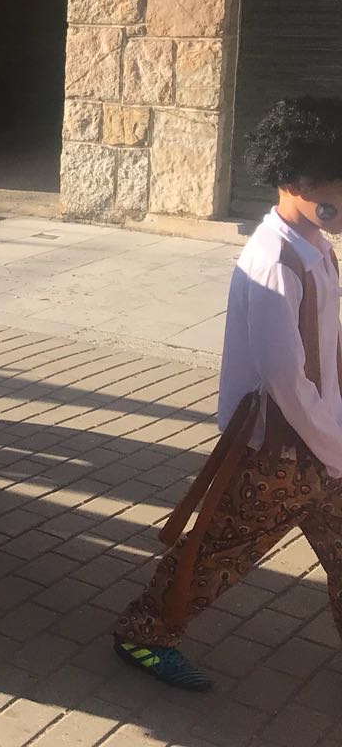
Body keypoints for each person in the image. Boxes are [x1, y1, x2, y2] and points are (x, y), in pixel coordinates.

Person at [112, 98, 342, 691]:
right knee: (215, 550)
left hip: (324, 447)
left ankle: (147, 630)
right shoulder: (273, 260)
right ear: (294, 177)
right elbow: (284, 379)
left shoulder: (317, 245)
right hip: (282, 455)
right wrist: (335, 447)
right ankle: (143, 636)